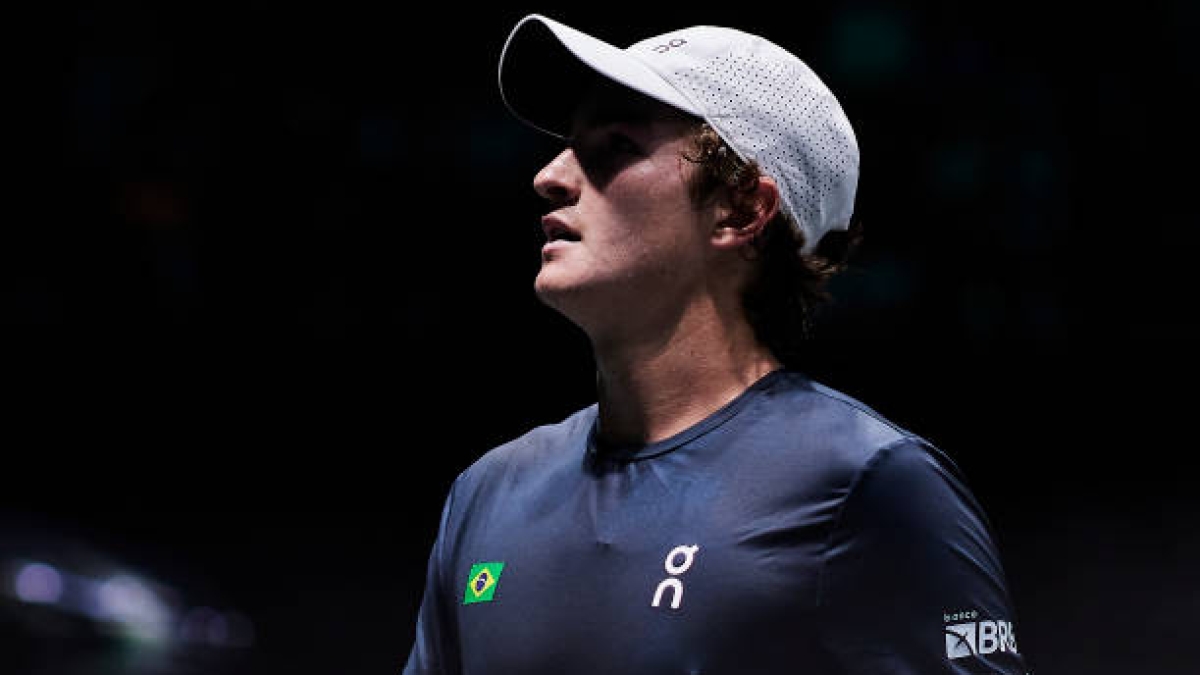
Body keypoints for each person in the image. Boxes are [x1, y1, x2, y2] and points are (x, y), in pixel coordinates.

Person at [402, 13, 1029, 675]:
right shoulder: (487, 492)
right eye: (567, 142)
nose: (550, 175)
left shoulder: (868, 485)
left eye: (614, 144)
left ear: (739, 209)